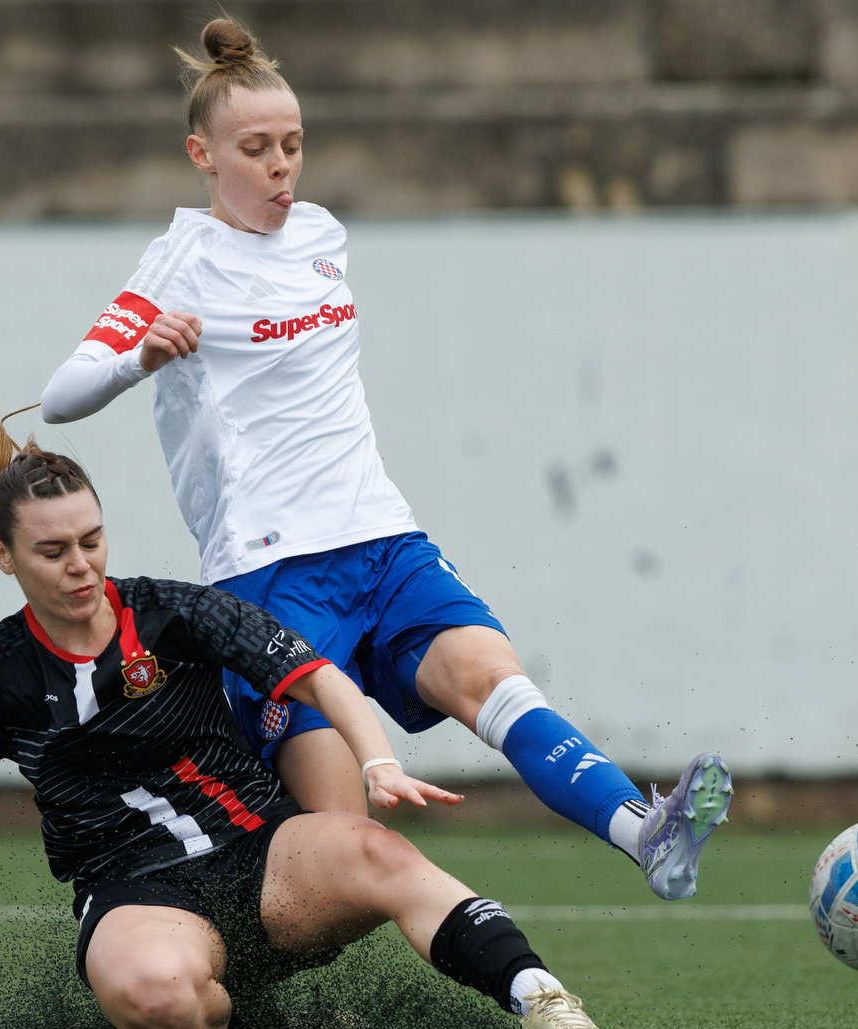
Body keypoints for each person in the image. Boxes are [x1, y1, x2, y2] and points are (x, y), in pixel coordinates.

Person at [39, 16, 732, 901]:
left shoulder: (322, 235)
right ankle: (247, 962)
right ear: (202, 154)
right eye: (255, 148)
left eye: (293, 145)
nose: (281, 165)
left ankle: (647, 837)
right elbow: (64, 392)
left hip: (382, 539)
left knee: (494, 680)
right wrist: (141, 358)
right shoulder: (179, 264)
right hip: (269, 574)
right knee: (343, 840)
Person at [0, 372, 618, 1029]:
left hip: (264, 856)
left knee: (380, 853)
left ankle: (541, 998)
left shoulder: (172, 613)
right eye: (52, 551)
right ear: (5, 558)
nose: (80, 566)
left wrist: (376, 757)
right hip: (134, 893)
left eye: (92, 541)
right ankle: (255, 1026)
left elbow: (314, 676)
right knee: (161, 1004)